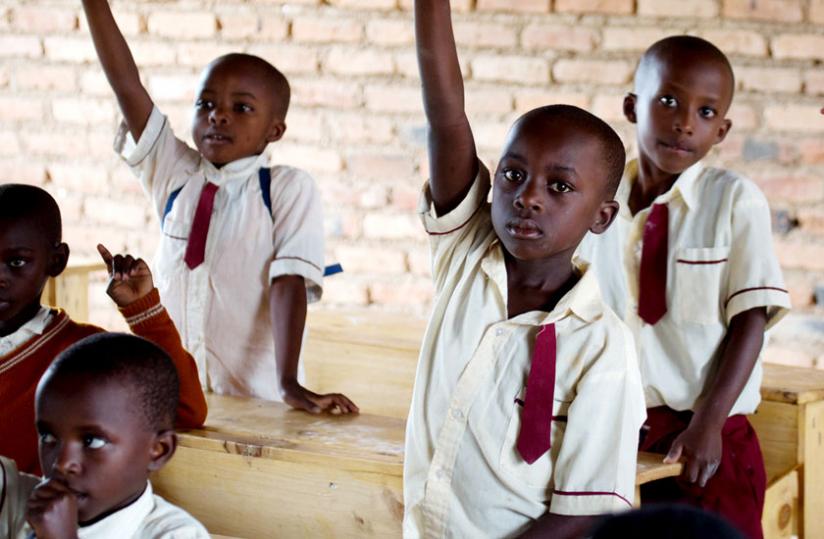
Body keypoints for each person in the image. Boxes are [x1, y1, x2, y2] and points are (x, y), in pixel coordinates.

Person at [404, 2, 647, 538]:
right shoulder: (465, 254)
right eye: (513, 174)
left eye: (559, 187)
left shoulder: (603, 348)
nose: (527, 198)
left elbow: (583, 512)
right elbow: (446, 113)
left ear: (602, 217)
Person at [81, 0, 357, 413]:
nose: (218, 117)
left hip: (255, 404)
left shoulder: (286, 188)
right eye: (205, 104)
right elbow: (126, 85)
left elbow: (289, 282)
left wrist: (289, 384)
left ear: (274, 130)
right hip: (170, 400)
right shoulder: (175, 173)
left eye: (240, 108)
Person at [578, 36, 791, 539]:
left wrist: (709, 424)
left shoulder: (735, 202)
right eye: (668, 101)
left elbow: (750, 321)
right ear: (632, 106)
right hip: (614, 437)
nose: (684, 122)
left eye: (706, 111)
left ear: (723, 130)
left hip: (708, 439)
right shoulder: (595, 205)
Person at [0, 183, 206, 475]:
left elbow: (187, 409)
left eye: (16, 262)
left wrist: (145, 314)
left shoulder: (82, 351)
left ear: (56, 261)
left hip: (35, 517)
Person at [18, 333, 210, 538]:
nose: (62, 463)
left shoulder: (179, 535)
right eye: (48, 437)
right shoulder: (21, 499)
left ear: (158, 450)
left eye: (92, 441)